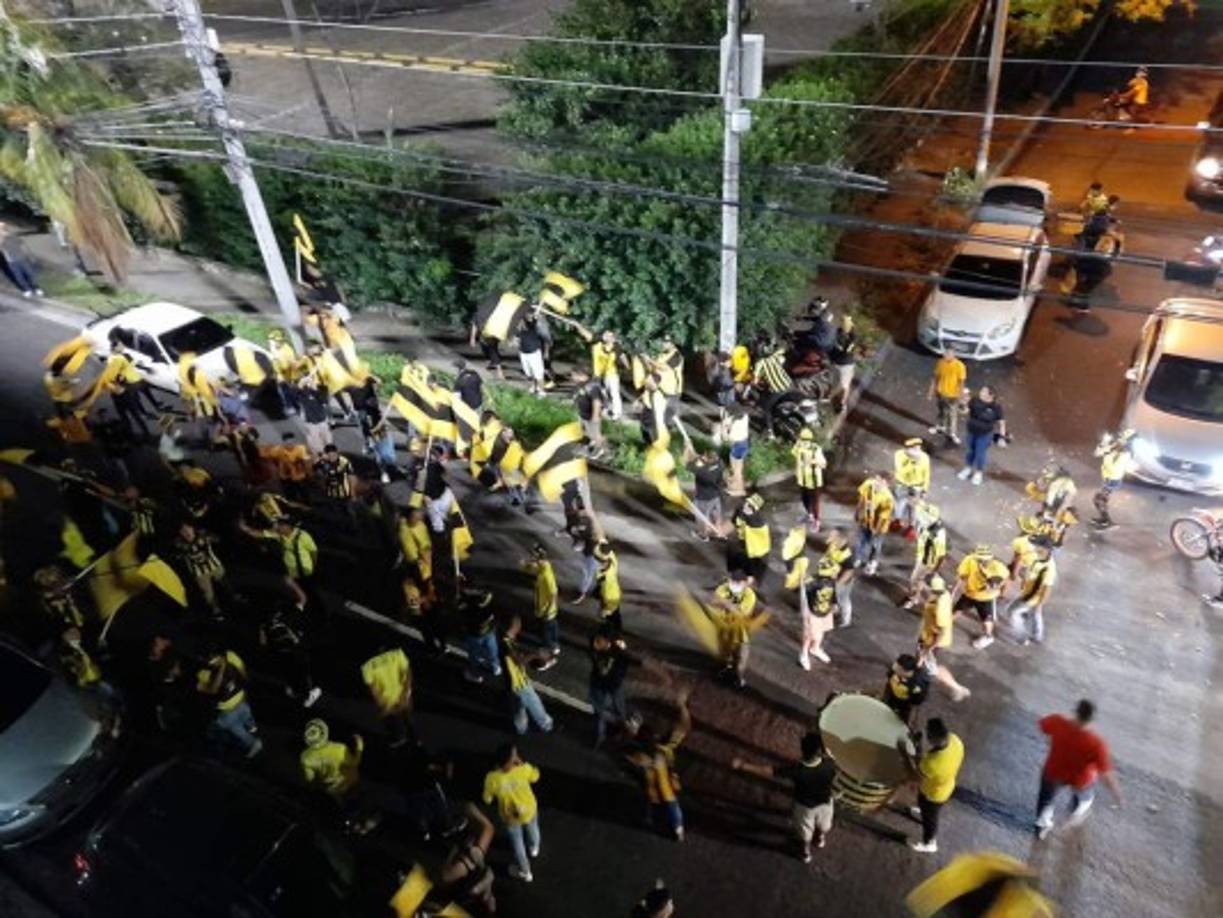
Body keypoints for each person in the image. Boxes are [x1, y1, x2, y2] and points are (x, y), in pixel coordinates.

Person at [733, 731, 838, 861]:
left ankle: (805, 853)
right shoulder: (829, 763)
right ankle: (820, 839)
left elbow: (768, 771)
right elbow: (831, 760)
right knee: (824, 823)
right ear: (820, 752)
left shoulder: (796, 770)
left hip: (805, 806)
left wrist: (743, 766)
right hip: (826, 802)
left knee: (804, 830)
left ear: (803, 750)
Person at [1035, 700, 1122, 839]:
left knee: (1046, 799)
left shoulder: (1057, 721)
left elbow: (1042, 725)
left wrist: (1052, 740)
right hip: (1081, 779)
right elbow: (1105, 774)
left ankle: (1042, 825)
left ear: (1075, 711)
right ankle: (1072, 817)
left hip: (1054, 772)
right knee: (1085, 798)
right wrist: (1117, 795)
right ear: (1092, 719)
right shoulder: (1097, 743)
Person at [627, 685, 691, 842]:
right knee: (669, 809)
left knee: (661, 806)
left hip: (660, 793)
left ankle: (668, 827)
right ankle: (676, 830)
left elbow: (632, 760)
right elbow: (683, 727)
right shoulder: (665, 748)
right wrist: (682, 706)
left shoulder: (643, 753)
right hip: (667, 792)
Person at [902, 717, 964, 854]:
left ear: (933, 738)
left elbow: (915, 775)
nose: (927, 738)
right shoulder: (956, 740)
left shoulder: (933, 763)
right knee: (924, 807)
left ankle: (929, 843)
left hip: (933, 795)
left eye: (928, 735)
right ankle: (923, 814)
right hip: (946, 786)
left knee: (930, 818)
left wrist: (911, 751)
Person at [482, 743, 542, 883]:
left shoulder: (492, 778)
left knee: (517, 844)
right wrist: (525, 764)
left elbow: (487, 799)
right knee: (533, 829)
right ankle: (534, 847)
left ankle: (525, 872)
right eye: (514, 756)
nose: (517, 757)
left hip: (510, 818)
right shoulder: (523, 768)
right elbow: (535, 776)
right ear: (508, 762)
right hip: (530, 809)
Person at [196, 649, 262, 758]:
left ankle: (252, 735)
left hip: (239, 700)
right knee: (235, 725)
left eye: (214, 657)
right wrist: (222, 668)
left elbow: (241, 669)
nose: (214, 661)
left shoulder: (229, 656)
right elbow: (213, 689)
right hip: (229, 708)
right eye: (210, 659)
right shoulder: (204, 673)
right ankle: (253, 740)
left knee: (243, 719)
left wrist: (245, 685)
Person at [916, 574, 971, 702]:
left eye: (923, 583)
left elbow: (941, 631)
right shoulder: (943, 593)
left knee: (933, 668)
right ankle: (916, 671)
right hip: (928, 635)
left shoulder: (939, 607)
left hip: (932, 640)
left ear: (930, 587)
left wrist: (929, 648)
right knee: (921, 659)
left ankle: (957, 688)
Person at [707, 570, 765, 688]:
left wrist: (724, 603)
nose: (735, 584)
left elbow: (741, 613)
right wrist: (726, 604)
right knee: (724, 654)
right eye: (733, 581)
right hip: (724, 628)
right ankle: (723, 671)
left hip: (741, 632)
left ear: (744, 583)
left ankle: (738, 677)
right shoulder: (723, 588)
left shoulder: (749, 595)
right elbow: (712, 602)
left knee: (741, 657)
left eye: (738, 582)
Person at [500, 617, 554, 735]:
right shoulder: (505, 644)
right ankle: (546, 725)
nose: (519, 628)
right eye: (518, 626)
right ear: (513, 627)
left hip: (511, 684)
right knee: (535, 704)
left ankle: (521, 728)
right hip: (519, 683)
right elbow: (519, 661)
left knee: (518, 708)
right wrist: (535, 655)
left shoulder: (507, 640)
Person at [953, 544, 1009, 650]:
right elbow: (962, 576)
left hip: (986, 598)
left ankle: (988, 636)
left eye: (985, 560)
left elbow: (1005, 581)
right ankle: (944, 626)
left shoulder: (999, 568)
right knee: (957, 611)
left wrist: (1002, 593)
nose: (983, 562)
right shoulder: (969, 561)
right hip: (970, 594)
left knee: (987, 621)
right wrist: (955, 590)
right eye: (980, 559)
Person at [588, 626, 635, 748]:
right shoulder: (597, 651)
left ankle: (621, 729)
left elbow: (625, 661)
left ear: (608, 641)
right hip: (600, 687)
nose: (596, 643)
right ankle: (600, 737)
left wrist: (621, 651)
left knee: (618, 710)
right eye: (596, 640)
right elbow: (601, 670)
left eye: (599, 640)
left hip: (614, 685)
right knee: (601, 713)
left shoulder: (617, 650)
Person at [361, 645, 414, 748]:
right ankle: (413, 738)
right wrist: (405, 695)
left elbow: (373, 690)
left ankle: (399, 739)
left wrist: (382, 705)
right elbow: (408, 673)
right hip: (404, 696)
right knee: (408, 718)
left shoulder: (367, 666)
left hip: (386, 701)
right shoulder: (397, 653)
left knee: (394, 726)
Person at [173, 521, 229, 619]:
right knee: (208, 594)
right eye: (183, 531)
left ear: (192, 528)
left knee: (225, 583)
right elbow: (176, 556)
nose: (186, 532)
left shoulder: (202, 534)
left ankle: (235, 597)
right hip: (199, 574)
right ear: (180, 533)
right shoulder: (179, 543)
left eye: (188, 529)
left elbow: (218, 539)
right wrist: (182, 553)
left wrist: (209, 538)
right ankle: (216, 611)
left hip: (215, 566)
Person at [1007, 536, 1056, 646]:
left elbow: (1047, 589)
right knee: (1035, 613)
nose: (1034, 546)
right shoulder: (1037, 556)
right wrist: (1024, 579)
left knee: (1012, 612)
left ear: (1045, 549)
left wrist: (1040, 603)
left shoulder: (1049, 568)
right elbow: (1027, 565)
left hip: (1032, 596)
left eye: (1037, 545)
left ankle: (1022, 637)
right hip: (1028, 591)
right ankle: (1037, 636)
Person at [521, 541, 560, 663]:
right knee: (551, 629)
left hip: (546, 611)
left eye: (535, 556)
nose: (533, 558)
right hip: (545, 610)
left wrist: (547, 612)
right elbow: (532, 569)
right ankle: (554, 647)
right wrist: (525, 565)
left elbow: (553, 594)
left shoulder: (546, 574)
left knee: (546, 634)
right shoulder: (543, 567)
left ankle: (550, 653)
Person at [958, 386, 1006, 485]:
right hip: (971, 432)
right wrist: (962, 403)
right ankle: (968, 468)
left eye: (984, 391)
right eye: (981, 391)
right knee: (970, 451)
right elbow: (964, 411)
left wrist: (1002, 437)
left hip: (985, 435)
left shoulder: (996, 407)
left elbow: (1001, 423)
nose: (981, 393)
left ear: (991, 395)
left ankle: (978, 472)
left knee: (980, 453)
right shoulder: (975, 400)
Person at [904, 502, 946, 609]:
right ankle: (916, 597)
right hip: (922, 556)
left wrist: (935, 569)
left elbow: (941, 555)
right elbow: (918, 507)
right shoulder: (928, 525)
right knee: (920, 580)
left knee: (913, 580)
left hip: (926, 562)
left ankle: (912, 598)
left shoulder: (938, 534)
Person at [1091, 429, 1135, 530]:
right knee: (1100, 499)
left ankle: (1107, 521)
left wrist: (1107, 454)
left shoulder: (1125, 454)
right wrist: (1103, 444)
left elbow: (1114, 469)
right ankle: (1104, 519)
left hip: (1112, 480)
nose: (1119, 439)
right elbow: (1097, 453)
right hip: (1108, 478)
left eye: (1122, 438)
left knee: (1099, 500)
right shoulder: (1116, 446)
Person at [798, 558, 837, 668]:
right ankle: (803, 654)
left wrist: (834, 603)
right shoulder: (812, 582)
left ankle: (815, 648)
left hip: (825, 611)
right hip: (813, 613)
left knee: (821, 632)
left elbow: (833, 593)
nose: (835, 573)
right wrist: (805, 612)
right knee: (809, 635)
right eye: (833, 570)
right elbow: (804, 597)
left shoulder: (831, 581)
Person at [855, 471, 895, 576]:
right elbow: (861, 499)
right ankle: (859, 558)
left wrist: (876, 530)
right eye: (877, 479)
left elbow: (883, 517)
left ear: (887, 484)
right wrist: (857, 512)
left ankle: (872, 562)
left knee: (875, 545)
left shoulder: (888, 498)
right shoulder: (868, 485)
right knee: (861, 541)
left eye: (881, 481)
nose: (877, 482)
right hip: (866, 520)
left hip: (878, 526)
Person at [752, 341, 792, 440]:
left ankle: (770, 432)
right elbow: (782, 353)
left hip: (778, 389)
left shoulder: (760, 363)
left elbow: (755, 381)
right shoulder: (775, 357)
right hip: (789, 385)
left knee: (766, 408)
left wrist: (754, 382)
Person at [460, 588, 501, 682]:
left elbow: (461, 610)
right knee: (492, 651)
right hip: (489, 632)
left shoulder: (468, 606)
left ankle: (475, 674)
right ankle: (495, 667)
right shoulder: (489, 604)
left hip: (474, 635)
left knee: (474, 655)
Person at [731, 490, 771, 585]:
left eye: (750, 507)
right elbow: (734, 521)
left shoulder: (759, 522)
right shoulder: (740, 509)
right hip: (745, 542)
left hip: (758, 549)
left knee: (757, 567)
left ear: (756, 510)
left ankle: (755, 581)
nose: (746, 507)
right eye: (747, 503)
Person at [927, 352, 966, 445]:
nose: (945, 357)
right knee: (941, 411)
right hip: (941, 393)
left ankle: (952, 433)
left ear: (953, 356)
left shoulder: (959, 366)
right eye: (945, 355)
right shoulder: (941, 363)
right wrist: (931, 390)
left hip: (953, 395)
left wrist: (960, 395)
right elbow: (936, 377)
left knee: (952, 414)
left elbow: (961, 382)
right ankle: (941, 426)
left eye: (948, 355)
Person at [893, 438, 931, 536]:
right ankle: (897, 521)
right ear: (907, 449)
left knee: (914, 507)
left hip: (917, 486)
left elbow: (926, 474)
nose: (917, 451)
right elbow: (901, 471)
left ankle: (911, 527)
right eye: (914, 449)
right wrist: (912, 462)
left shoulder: (924, 457)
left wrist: (925, 489)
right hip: (902, 484)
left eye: (918, 448)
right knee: (900, 504)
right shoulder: (899, 455)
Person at [882, 653, 930, 728]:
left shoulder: (916, 684)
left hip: (904, 702)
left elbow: (918, 699)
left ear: (906, 671)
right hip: (891, 694)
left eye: (898, 668)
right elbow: (889, 676)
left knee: (901, 718)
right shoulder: (895, 670)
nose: (894, 667)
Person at [687, 446, 724, 542]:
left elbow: (689, 466)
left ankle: (703, 535)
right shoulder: (720, 463)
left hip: (703, 498)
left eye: (704, 455)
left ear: (707, 458)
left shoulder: (702, 471)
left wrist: (688, 449)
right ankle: (717, 532)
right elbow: (701, 462)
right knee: (715, 515)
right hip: (716, 495)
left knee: (701, 517)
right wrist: (700, 458)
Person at [792, 427, 826, 529]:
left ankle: (817, 521)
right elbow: (795, 456)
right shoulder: (798, 446)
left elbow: (823, 464)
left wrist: (813, 461)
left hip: (814, 481)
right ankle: (809, 515)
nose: (804, 442)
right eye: (802, 440)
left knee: (815, 502)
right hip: (802, 479)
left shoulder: (815, 449)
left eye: (805, 440)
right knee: (804, 499)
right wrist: (797, 471)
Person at [821, 528, 856, 627]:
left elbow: (849, 571)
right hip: (832, 577)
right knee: (831, 597)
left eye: (833, 536)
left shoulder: (846, 554)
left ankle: (845, 620)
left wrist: (839, 583)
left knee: (842, 599)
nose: (830, 537)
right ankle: (832, 613)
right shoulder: (833, 545)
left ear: (841, 539)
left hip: (843, 580)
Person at [591, 330, 628, 419]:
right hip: (599, 374)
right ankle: (606, 409)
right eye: (606, 335)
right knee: (603, 393)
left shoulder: (616, 347)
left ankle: (617, 413)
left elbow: (623, 356)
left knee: (614, 393)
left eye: (610, 336)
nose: (608, 337)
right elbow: (590, 337)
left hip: (612, 374)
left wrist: (627, 367)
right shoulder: (598, 345)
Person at [0, 222, 43, 296]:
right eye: (1, 229)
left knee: (30, 274)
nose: (2, 230)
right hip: (12, 261)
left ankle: (36, 288)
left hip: (22, 258)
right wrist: (2, 237)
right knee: (19, 276)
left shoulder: (13, 236)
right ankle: (27, 289)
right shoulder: (1, 239)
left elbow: (23, 245)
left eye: (3, 228)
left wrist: (30, 255)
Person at [828, 314, 857, 413]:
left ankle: (837, 400)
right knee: (845, 385)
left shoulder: (837, 333)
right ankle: (840, 402)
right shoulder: (853, 336)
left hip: (841, 361)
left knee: (843, 385)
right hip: (845, 362)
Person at [574, 378, 607, 459]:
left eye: (575, 375)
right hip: (584, 415)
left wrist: (595, 416)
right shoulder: (581, 385)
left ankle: (599, 450)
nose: (573, 377)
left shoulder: (592, 387)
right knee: (586, 432)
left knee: (595, 433)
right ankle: (589, 447)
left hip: (591, 415)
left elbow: (597, 403)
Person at [595, 540, 623, 632]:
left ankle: (613, 630)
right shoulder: (612, 560)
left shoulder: (606, 577)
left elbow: (610, 603)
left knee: (612, 616)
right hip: (612, 594)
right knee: (615, 615)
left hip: (611, 598)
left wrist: (605, 611)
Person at [516, 314, 546, 396]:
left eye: (520, 322)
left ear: (524, 321)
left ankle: (542, 391)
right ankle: (534, 386)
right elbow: (517, 340)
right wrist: (515, 343)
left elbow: (537, 317)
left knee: (538, 373)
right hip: (524, 353)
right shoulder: (518, 330)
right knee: (529, 372)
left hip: (534, 352)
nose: (519, 324)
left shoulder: (532, 325)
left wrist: (536, 315)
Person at [724, 405, 751, 497]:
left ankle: (740, 490)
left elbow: (726, 438)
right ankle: (737, 482)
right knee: (737, 467)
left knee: (737, 471)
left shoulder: (733, 424)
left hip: (738, 445)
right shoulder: (745, 416)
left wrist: (724, 427)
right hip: (743, 443)